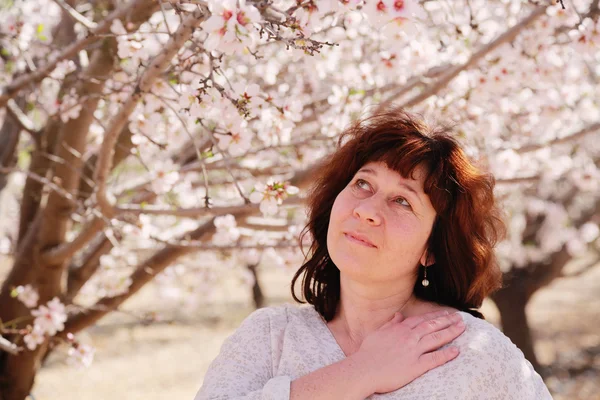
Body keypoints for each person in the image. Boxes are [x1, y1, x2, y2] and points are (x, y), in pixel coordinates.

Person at [194, 107, 553, 400]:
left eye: (402, 200)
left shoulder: (475, 354)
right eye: (363, 183)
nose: (367, 210)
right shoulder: (269, 336)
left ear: (432, 249)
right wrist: (362, 372)